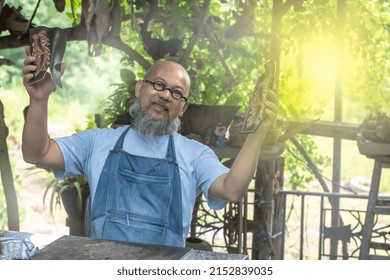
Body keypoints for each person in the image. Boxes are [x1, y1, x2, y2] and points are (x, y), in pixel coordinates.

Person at [22, 47, 278, 248]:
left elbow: (232, 190)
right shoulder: (98, 142)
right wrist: (38, 99)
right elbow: (37, 153)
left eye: (177, 93)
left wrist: (258, 133)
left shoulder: (194, 154)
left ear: (183, 107)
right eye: (158, 84)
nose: (166, 95)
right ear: (139, 89)